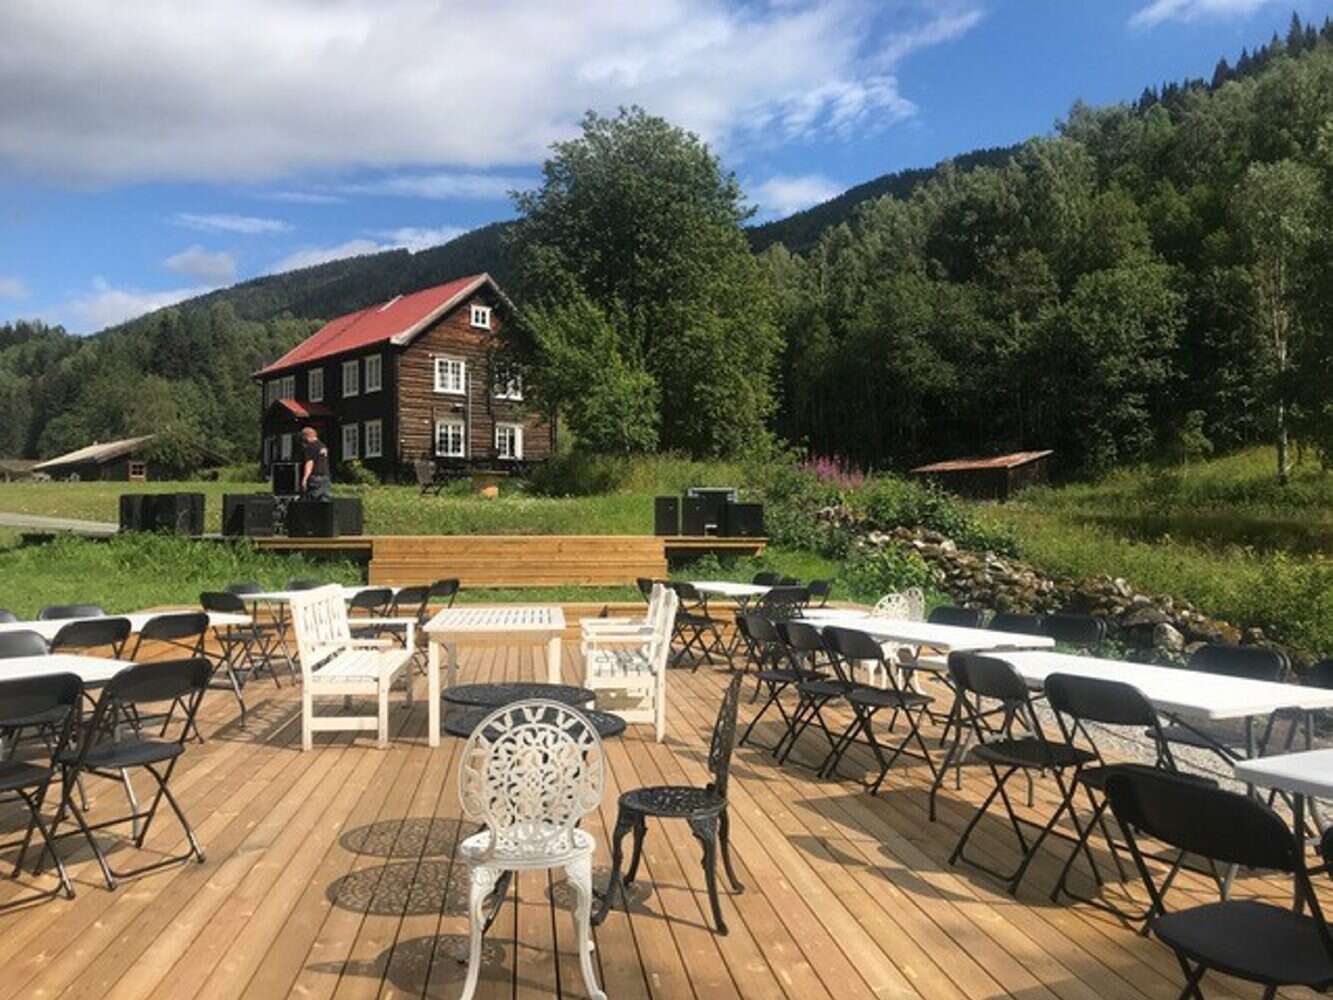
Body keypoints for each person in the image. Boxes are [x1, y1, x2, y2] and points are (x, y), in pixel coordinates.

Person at [300, 426, 332, 501]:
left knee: (313, 501)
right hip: (325, 477)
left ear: (306, 437)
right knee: (324, 500)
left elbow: (309, 463)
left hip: (315, 477)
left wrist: (305, 478)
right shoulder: (322, 445)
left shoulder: (310, 447)